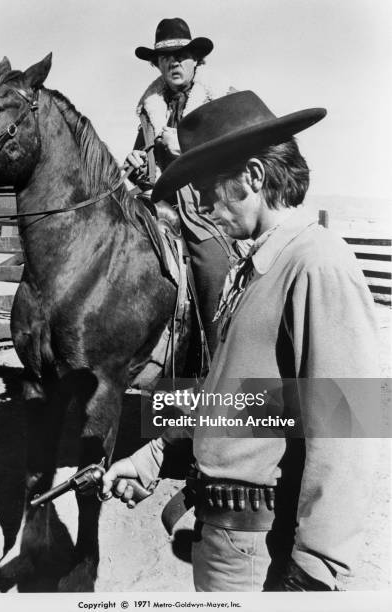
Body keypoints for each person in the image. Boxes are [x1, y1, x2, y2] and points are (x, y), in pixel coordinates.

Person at [103, 91, 379, 591]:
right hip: (223, 537)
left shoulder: (317, 262)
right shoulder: (250, 268)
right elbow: (242, 402)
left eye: (208, 188)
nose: (203, 205)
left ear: (253, 176)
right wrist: (151, 457)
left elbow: (350, 424)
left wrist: (315, 568)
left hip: (260, 550)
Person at [127, 17, 243, 356]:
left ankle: (217, 357)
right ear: (157, 63)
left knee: (212, 265)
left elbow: (240, 156)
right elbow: (145, 163)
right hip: (157, 203)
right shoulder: (150, 108)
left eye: (182, 55)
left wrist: (186, 147)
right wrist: (135, 164)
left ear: (197, 60)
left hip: (210, 207)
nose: (174, 62)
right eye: (165, 57)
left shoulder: (221, 100)